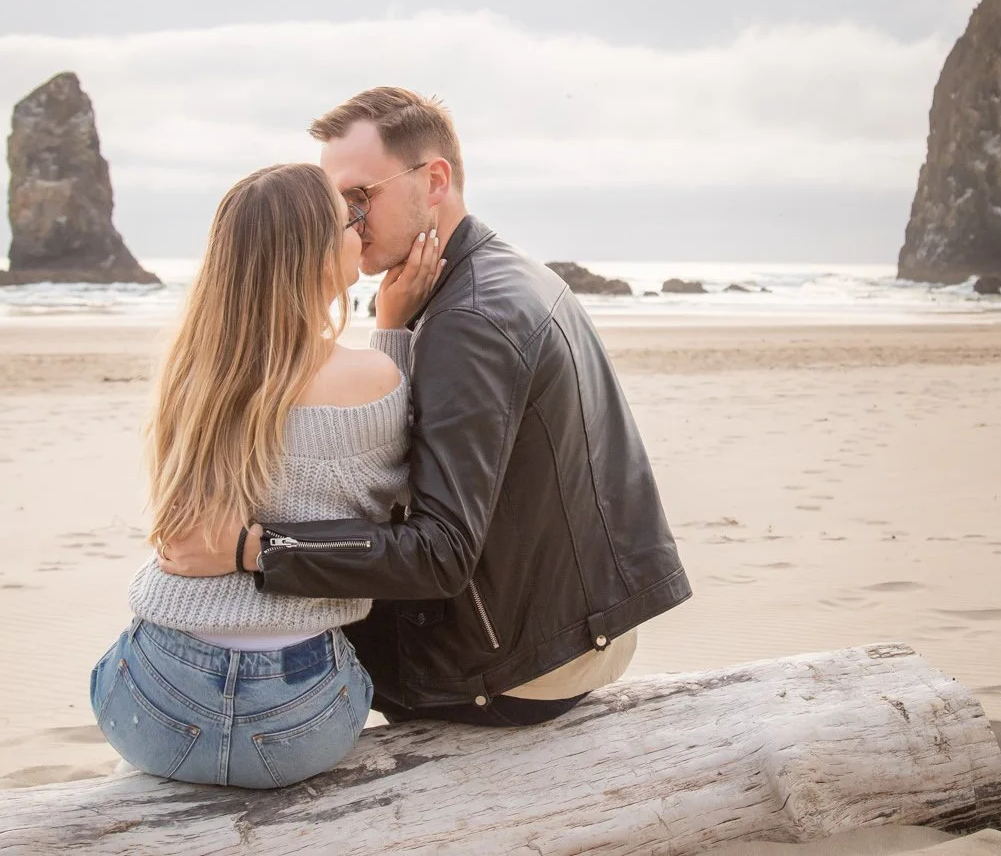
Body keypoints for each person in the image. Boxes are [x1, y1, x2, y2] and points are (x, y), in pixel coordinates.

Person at [159, 88, 691, 727]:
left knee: (247, 640)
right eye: (336, 204)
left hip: (516, 663)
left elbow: (438, 551)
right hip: (576, 619)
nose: (347, 224)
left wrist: (257, 548)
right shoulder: (497, 275)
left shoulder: (467, 320)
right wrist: (394, 330)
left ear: (433, 180)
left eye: (359, 197)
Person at [89, 162, 445, 787]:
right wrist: (392, 329)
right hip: (299, 718)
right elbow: (399, 495)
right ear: (310, 254)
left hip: (151, 704)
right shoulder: (377, 379)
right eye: (347, 222)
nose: (359, 231)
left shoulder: (192, 373)